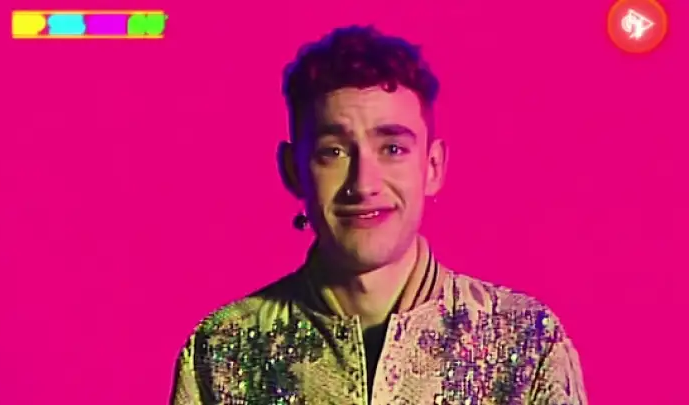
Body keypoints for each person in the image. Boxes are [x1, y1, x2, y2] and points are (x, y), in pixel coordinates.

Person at [170, 25, 587, 405]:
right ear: (293, 170)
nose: (364, 183)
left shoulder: (525, 340)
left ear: (433, 167)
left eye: (392, 149)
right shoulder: (223, 347)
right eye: (333, 151)